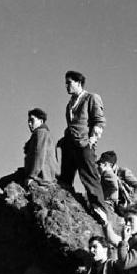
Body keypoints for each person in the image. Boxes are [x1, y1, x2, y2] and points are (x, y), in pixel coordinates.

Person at [57, 70, 108, 224]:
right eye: (66, 83)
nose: (66, 86)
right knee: (66, 175)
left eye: (69, 82)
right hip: (70, 144)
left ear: (78, 83)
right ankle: (64, 197)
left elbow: (99, 121)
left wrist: (92, 139)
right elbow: (72, 125)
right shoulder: (70, 104)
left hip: (85, 144)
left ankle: (100, 209)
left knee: (89, 175)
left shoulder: (91, 98)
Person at [0, 108, 58, 190]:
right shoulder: (40, 133)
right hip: (40, 173)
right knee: (5, 181)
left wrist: (32, 176)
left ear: (41, 121)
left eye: (32, 120)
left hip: (42, 175)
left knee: (3, 181)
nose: (29, 124)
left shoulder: (41, 132)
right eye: (28, 121)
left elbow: (39, 155)